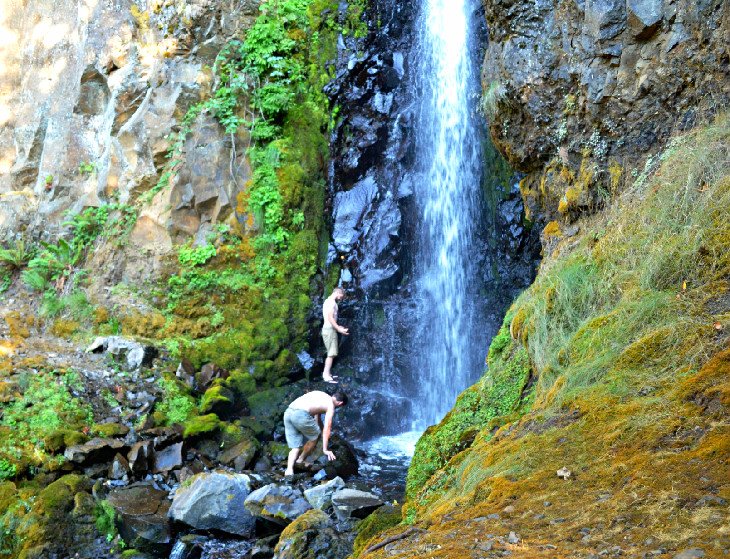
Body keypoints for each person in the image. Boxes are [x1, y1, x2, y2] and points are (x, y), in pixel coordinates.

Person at [283, 389, 348, 476]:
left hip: (288, 412)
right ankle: (300, 460)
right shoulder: (331, 406)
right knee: (315, 437)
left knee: (295, 447)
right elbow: (327, 428)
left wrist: (321, 433)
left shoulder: (321, 394)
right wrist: (325, 449)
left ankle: (289, 470)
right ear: (340, 403)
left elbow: (317, 419)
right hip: (300, 414)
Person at [322, 287, 349, 383]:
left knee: (331, 352)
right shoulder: (332, 303)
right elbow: (330, 317)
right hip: (330, 330)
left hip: (329, 329)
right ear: (338, 292)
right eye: (342, 295)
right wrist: (338, 328)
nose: (342, 297)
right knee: (331, 353)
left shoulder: (327, 301)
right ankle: (326, 375)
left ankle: (328, 373)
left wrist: (338, 327)